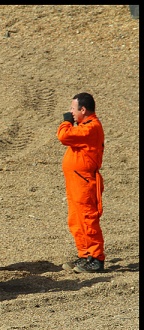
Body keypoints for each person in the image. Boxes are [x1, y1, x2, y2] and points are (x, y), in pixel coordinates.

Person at [58, 92, 105, 273]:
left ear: (83, 110)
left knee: (87, 219)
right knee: (76, 220)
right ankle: (85, 256)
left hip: (84, 182)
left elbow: (63, 136)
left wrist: (66, 121)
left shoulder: (91, 127)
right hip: (77, 182)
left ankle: (96, 258)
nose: (70, 112)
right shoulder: (85, 126)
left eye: (72, 109)